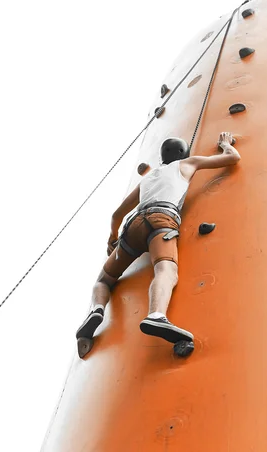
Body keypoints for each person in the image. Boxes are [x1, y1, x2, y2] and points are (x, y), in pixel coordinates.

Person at [76, 132, 241, 355]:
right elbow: (233, 158)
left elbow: (116, 216)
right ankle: (156, 315)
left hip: (133, 226)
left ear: (162, 157)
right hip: (162, 219)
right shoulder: (188, 163)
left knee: (104, 280)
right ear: (183, 153)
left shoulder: (148, 178)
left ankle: (96, 309)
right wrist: (225, 144)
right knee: (166, 269)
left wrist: (112, 239)